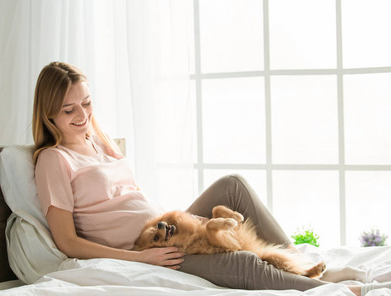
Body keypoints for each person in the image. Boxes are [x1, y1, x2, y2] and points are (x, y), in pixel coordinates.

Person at [32, 62, 389, 296]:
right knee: (243, 263)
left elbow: (133, 200)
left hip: (168, 225)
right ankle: (322, 291)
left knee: (232, 185)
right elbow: (67, 242)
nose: (83, 114)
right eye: (69, 109)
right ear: (49, 113)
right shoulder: (54, 159)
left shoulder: (101, 141)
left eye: (87, 103)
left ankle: (305, 266)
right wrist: (142, 260)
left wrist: (192, 223)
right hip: (145, 247)